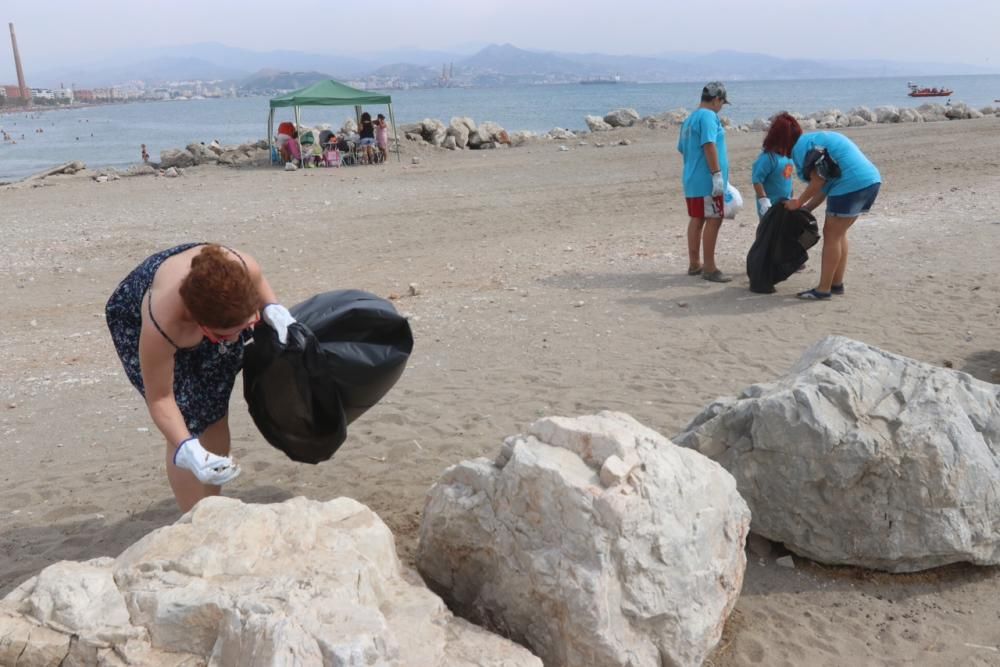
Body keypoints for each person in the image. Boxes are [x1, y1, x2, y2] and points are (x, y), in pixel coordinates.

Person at [105, 243, 297, 512]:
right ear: (199, 322)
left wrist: (273, 309)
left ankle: (211, 504)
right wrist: (187, 448)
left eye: (244, 328)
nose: (233, 340)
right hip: (136, 315)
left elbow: (258, 284)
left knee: (215, 409)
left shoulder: (243, 267)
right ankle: (194, 516)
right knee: (187, 419)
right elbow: (160, 398)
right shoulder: (163, 324)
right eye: (224, 335)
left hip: (214, 308)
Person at [782, 131, 881, 300]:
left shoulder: (800, 148)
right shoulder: (814, 140)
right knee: (839, 234)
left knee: (831, 235)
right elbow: (825, 184)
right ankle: (836, 284)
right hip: (870, 181)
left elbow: (818, 181)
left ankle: (823, 289)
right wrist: (807, 208)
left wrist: (798, 203)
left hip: (851, 185)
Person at [677, 81, 732, 282]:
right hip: (707, 180)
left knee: (697, 219)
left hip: (691, 179)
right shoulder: (709, 116)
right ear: (716, 99)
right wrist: (717, 174)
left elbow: (682, 148)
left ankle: (694, 264)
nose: (721, 107)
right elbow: (709, 144)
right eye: (722, 103)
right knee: (714, 219)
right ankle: (709, 268)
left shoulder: (689, 119)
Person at [751, 113, 799, 219]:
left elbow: (787, 179)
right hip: (770, 206)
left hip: (785, 204)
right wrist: (763, 200)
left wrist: (791, 196)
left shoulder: (788, 158)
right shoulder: (768, 158)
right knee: (770, 233)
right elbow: (757, 180)